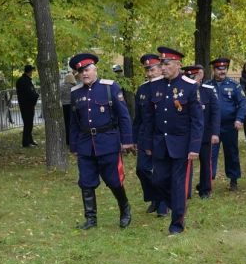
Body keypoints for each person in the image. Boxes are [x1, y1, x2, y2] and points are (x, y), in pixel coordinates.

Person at [69, 53, 133, 229]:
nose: (85, 74)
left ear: (95, 69)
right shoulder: (76, 93)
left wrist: (127, 140)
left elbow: (124, 115)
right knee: (86, 182)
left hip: (108, 142)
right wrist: (73, 145)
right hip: (85, 144)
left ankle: (125, 209)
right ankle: (91, 219)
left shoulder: (109, 87)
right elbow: (74, 122)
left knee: (114, 180)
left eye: (87, 70)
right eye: (81, 71)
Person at [143, 48, 203, 236]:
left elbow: (197, 120)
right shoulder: (155, 86)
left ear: (178, 65)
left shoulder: (190, 86)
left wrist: (194, 147)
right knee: (158, 181)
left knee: (178, 185)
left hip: (182, 146)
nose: (163, 67)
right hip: (160, 143)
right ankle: (177, 205)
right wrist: (147, 143)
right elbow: (148, 118)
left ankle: (176, 224)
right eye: (161, 64)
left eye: (167, 64)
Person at [132, 54, 169, 217]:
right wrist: (133, 139)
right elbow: (138, 118)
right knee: (141, 169)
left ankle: (163, 205)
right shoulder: (142, 89)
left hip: (162, 136)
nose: (149, 73)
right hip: (144, 136)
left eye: (152, 70)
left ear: (161, 68)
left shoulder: (168, 86)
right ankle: (154, 195)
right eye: (147, 70)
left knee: (161, 171)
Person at [204, 58, 246, 191]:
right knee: (210, 154)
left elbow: (242, 104)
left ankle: (233, 179)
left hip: (230, 126)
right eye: (219, 69)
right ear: (214, 70)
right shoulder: (207, 86)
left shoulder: (235, 85)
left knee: (231, 153)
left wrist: (239, 119)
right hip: (212, 127)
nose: (222, 71)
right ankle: (208, 180)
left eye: (224, 69)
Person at [181, 65, 220, 199]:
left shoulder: (208, 91)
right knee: (186, 164)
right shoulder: (182, 91)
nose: (190, 80)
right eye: (187, 77)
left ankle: (205, 189)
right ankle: (186, 192)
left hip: (204, 134)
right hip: (187, 135)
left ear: (199, 76)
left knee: (205, 162)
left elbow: (215, 112)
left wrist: (215, 132)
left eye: (193, 77)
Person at [16, 64, 39, 147]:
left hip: (23, 104)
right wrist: (36, 96)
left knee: (28, 123)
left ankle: (30, 140)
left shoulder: (20, 80)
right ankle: (26, 142)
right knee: (28, 124)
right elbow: (31, 93)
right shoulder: (26, 81)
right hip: (28, 105)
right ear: (30, 71)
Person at [60, 73, 76, 145]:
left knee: (66, 123)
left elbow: (59, 96)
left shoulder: (62, 87)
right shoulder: (74, 87)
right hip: (73, 106)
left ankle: (67, 139)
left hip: (64, 106)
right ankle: (73, 139)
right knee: (73, 123)